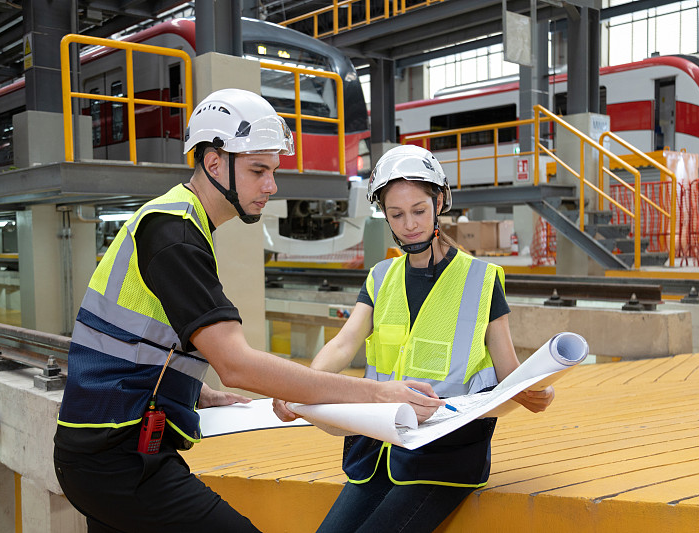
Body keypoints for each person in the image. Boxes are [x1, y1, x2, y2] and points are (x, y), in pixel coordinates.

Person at [53, 89, 445, 533]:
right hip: (118, 463)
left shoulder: (180, 224)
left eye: (273, 171)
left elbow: (139, 339)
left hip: (104, 453)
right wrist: (378, 393)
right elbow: (236, 363)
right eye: (258, 170)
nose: (271, 186)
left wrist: (189, 390)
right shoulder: (175, 236)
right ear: (215, 163)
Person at [273, 144, 555, 533]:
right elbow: (343, 343)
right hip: (378, 450)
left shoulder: (480, 280)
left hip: (444, 459)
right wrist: (300, 387)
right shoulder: (380, 277)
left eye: (419, 211)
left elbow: (509, 371)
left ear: (439, 202)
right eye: (397, 214)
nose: (409, 224)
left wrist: (535, 389)